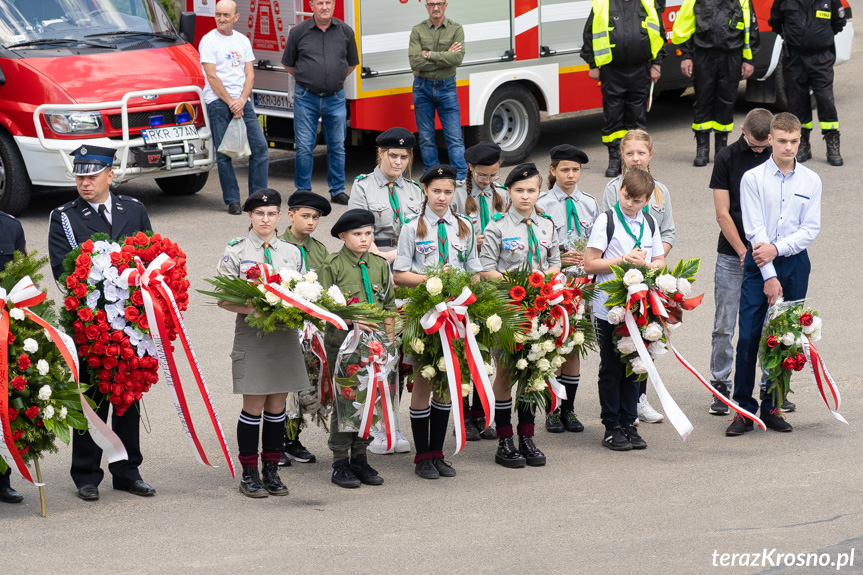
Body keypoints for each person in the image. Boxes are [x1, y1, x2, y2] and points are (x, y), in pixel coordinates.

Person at [47, 145, 154, 501]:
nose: (84, 182)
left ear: (111, 175)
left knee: (128, 396)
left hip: (130, 321)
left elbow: (149, 256)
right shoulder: (64, 216)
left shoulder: (134, 209)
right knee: (91, 399)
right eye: (79, 176)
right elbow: (64, 270)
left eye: (92, 175)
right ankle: (86, 474)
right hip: (89, 319)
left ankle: (127, 471)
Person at [727, 113, 821, 436]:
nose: (789, 147)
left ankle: (773, 405)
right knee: (750, 335)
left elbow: (810, 229)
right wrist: (768, 273)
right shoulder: (752, 179)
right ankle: (742, 409)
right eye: (782, 140)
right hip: (759, 264)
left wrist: (777, 250)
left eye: (794, 141)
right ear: (770, 140)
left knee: (786, 338)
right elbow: (754, 230)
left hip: (794, 263)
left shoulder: (811, 180)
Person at [216, 189, 308, 497]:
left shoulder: (292, 253)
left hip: (283, 334)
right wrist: (253, 308)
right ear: (250, 216)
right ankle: (249, 473)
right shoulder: (237, 251)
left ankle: (272, 470)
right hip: (253, 334)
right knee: (253, 406)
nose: (265, 219)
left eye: (271, 214)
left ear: (280, 216)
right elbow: (223, 298)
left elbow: (305, 292)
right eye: (259, 213)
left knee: (277, 405)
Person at [393, 164, 481, 479]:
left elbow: (474, 268)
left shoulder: (465, 226)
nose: (442, 197)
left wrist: (468, 287)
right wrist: (432, 279)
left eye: (447, 191)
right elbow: (400, 275)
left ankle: (438, 453)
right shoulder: (410, 228)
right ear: (425, 191)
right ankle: (421, 456)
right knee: (424, 380)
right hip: (425, 316)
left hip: (455, 315)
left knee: (447, 383)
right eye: (436, 191)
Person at [480, 163, 560, 468]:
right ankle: (504, 439)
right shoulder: (497, 226)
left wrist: (546, 279)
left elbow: (554, 261)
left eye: (531, 190)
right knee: (505, 372)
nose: (525, 196)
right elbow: (486, 269)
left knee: (533, 368)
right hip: (509, 310)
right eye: (519, 190)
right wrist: (520, 286)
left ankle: (527, 436)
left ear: (539, 192)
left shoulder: (547, 224)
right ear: (508, 192)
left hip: (540, 308)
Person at [584, 169, 665, 451]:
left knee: (636, 365)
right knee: (611, 366)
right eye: (626, 197)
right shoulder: (606, 221)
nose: (629, 204)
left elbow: (660, 261)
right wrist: (623, 261)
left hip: (639, 307)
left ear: (647, 200)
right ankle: (611, 426)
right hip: (609, 307)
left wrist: (647, 266)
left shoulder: (650, 223)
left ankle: (629, 423)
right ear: (620, 191)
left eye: (637, 200)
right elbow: (590, 264)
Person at [319, 209, 397, 488]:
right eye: (357, 234)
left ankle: (360, 457)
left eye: (368, 233)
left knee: (370, 398)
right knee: (346, 399)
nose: (364, 239)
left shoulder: (378, 264)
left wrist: (388, 340)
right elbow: (323, 307)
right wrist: (352, 319)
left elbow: (388, 304)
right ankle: (340, 460)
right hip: (343, 343)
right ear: (342, 236)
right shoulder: (333, 265)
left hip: (375, 344)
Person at [601, 130, 673, 423]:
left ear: (650, 155)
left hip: (648, 275)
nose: (635, 158)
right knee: (621, 342)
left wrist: (657, 257)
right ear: (622, 156)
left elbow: (667, 231)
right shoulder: (613, 189)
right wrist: (632, 260)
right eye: (630, 153)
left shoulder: (661, 192)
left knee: (647, 336)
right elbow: (612, 229)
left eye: (641, 153)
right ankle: (620, 405)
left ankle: (640, 399)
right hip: (621, 276)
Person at [707, 108, 773, 416]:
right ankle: (721, 386)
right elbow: (723, 212)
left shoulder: (777, 154)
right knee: (725, 323)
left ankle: (772, 385)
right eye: (754, 145)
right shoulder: (727, 157)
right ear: (743, 130)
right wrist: (743, 250)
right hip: (733, 254)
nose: (760, 151)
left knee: (768, 324)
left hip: (770, 254)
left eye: (764, 145)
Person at [536, 144, 597, 434]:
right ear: (553, 171)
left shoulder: (589, 203)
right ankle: (551, 409)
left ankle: (569, 410)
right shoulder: (542, 203)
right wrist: (558, 259)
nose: (571, 175)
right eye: (565, 170)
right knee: (552, 348)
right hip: (555, 286)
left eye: (575, 170)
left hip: (582, 286)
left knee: (574, 348)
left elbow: (598, 242)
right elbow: (538, 246)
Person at [452, 141, 507, 440]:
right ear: (470, 168)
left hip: (493, 276)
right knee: (464, 346)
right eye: (483, 176)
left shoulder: (503, 195)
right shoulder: (458, 195)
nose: (488, 181)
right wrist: (474, 239)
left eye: (494, 175)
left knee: (486, 348)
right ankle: (463, 412)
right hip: (466, 277)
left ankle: (481, 411)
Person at [282, 0, 359, 205]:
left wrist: (334, 78)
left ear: (333, 5)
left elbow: (351, 63)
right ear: (311, 6)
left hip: (335, 98)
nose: (324, 7)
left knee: (337, 146)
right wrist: (308, 79)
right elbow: (288, 64)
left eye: (328, 2)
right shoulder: (298, 32)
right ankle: (303, 192)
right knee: (305, 146)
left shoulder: (345, 31)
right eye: (319, 3)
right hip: (306, 97)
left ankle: (337, 190)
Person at [580, 0, 666, 177]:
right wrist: (593, 64)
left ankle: (637, 162)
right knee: (613, 115)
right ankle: (614, 159)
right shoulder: (603, 4)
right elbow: (589, 35)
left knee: (637, 117)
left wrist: (656, 64)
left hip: (640, 68)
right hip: (612, 70)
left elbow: (659, 34)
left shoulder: (647, 4)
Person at [200, 0, 270, 215]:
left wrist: (241, 100)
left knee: (260, 149)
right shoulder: (208, 40)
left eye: (226, 15)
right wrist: (231, 101)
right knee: (225, 153)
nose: (221, 19)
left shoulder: (242, 41)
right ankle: (233, 200)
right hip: (218, 101)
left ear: (236, 17)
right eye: (218, 14)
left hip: (242, 102)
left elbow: (250, 74)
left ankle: (257, 199)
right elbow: (211, 76)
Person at [278, 190, 332, 466]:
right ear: (290, 215)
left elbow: (321, 290)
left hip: (310, 328)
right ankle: (275, 442)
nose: (311, 222)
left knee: (305, 383)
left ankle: (292, 439)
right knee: (280, 387)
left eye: (316, 218)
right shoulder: (276, 245)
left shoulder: (319, 250)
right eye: (305, 216)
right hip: (283, 325)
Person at [672, 0, 760, 166]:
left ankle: (722, 149)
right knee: (702, 101)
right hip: (703, 56)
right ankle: (702, 149)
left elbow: (751, 30)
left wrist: (749, 59)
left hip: (731, 57)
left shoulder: (743, 1)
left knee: (726, 102)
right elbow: (683, 28)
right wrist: (685, 56)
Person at [769, 0, 847, 166]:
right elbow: (775, 22)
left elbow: (839, 22)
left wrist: (820, 38)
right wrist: (793, 38)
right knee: (797, 101)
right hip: (794, 58)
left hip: (821, 57)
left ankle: (832, 141)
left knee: (825, 99)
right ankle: (802, 143)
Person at [408, 0, 467, 179]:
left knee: (454, 137)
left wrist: (428, 54)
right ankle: (432, 176)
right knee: (426, 138)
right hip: (422, 87)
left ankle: (461, 177)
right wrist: (445, 56)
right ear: (426, 6)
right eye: (431, 4)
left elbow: (457, 59)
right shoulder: (417, 30)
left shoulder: (456, 29)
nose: (435, 7)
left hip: (446, 87)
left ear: (446, 5)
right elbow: (414, 62)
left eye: (439, 3)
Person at [349, 127, 423, 265]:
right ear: (380, 153)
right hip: (374, 254)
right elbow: (359, 230)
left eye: (404, 157)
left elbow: (424, 230)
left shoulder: (415, 189)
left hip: (411, 254)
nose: (398, 162)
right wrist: (380, 259)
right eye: (393, 155)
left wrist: (399, 254)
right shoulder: (362, 186)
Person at [0, 210, 27, 505]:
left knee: (3, 406)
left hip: (3, 331)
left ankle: (2, 480)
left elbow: (22, 280)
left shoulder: (10, 227)